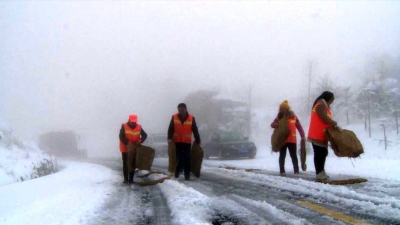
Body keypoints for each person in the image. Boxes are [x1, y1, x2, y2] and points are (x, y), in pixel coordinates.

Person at [307, 91, 338, 180]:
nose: (332, 102)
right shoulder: (320, 105)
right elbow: (324, 118)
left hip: (322, 134)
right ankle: (319, 172)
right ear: (329, 99)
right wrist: (334, 123)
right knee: (319, 154)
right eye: (332, 100)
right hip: (317, 134)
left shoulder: (324, 106)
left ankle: (321, 171)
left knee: (323, 153)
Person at [271, 100, 305, 176]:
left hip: (292, 140)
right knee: (282, 155)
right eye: (281, 109)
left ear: (287, 109)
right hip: (282, 140)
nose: (282, 110)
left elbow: (299, 126)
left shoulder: (294, 116)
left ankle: (296, 170)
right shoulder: (279, 117)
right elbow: (272, 124)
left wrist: (302, 135)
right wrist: (276, 124)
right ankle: (282, 171)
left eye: (284, 108)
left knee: (293, 156)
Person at [167, 103, 201, 180]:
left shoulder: (191, 118)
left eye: (182, 110)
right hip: (177, 142)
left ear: (185, 109)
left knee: (187, 159)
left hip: (186, 142)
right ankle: (176, 173)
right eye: (179, 110)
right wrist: (169, 138)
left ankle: (187, 175)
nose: (180, 112)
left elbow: (195, 130)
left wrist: (198, 139)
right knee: (177, 158)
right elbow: (170, 129)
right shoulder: (174, 117)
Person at [119, 114, 147, 184]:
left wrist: (140, 141)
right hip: (125, 148)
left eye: (134, 122)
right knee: (126, 163)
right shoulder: (124, 126)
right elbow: (121, 136)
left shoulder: (139, 127)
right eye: (132, 122)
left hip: (134, 149)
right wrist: (127, 142)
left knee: (132, 164)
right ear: (129, 120)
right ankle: (126, 179)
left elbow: (144, 135)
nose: (133, 123)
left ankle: (131, 179)